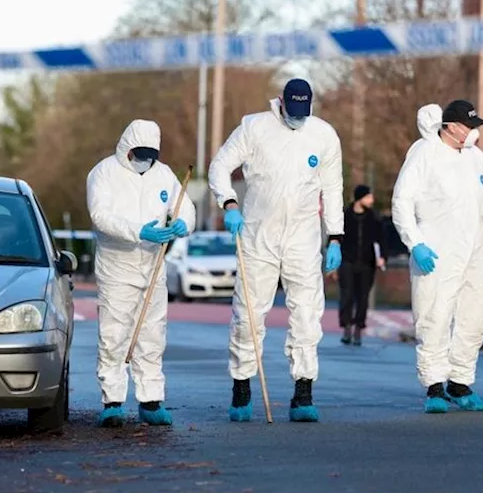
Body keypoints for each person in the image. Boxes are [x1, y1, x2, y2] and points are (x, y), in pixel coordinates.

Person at [209, 78, 344, 423]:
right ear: (281, 102)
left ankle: (303, 391)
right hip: (257, 235)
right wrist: (228, 203)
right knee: (248, 314)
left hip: (303, 238)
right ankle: (242, 385)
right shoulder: (254, 127)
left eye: (304, 111)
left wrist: (336, 236)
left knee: (307, 314)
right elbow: (220, 166)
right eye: (292, 110)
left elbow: (332, 189)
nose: (297, 117)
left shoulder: (324, 135)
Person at [391, 100, 483, 414]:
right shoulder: (424, 153)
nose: (473, 132)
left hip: (473, 246)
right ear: (451, 126)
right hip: (436, 245)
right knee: (435, 314)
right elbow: (401, 201)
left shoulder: (477, 159)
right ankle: (434, 385)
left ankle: (460, 382)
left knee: (476, 313)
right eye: (468, 126)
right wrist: (415, 242)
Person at [87, 119, 196, 427]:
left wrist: (183, 224)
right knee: (114, 334)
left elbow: (184, 206)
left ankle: (150, 400)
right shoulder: (104, 173)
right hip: (117, 267)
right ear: (126, 148)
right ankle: (112, 400)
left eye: (150, 154)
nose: (144, 159)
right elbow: (100, 216)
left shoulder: (163, 174)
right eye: (140, 153)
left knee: (152, 334)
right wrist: (138, 232)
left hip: (152, 266)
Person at [339, 184, 386, 346]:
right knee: (347, 295)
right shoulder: (345, 215)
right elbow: (337, 238)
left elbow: (381, 239)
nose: (372, 200)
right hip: (347, 261)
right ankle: (346, 327)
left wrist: (382, 257)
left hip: (367, 263)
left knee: (363, 297)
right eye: (368, 197)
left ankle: (358, 328)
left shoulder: (374, 217)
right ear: (360, 198)